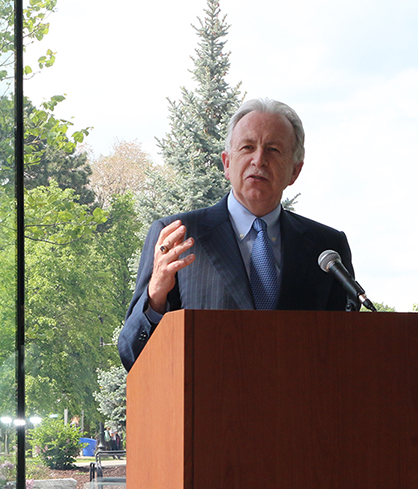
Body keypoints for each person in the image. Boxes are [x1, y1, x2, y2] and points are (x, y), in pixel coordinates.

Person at [118, 98, 356, 371]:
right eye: (247, 147)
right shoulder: (177, 236)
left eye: (274, 149)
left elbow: (346, 353)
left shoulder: (326, 248)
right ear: (227, 163)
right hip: (208, 409)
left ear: (295, 171)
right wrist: (156, 296)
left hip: (299, 408)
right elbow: (132, 355)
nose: (259, 160)